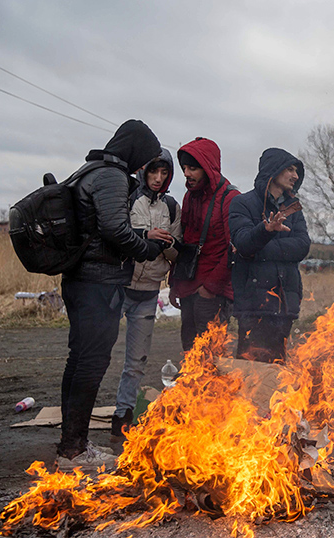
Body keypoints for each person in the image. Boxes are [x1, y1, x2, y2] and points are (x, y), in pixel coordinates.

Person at [58, 120, 165, 471]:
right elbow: (114, 228)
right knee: (91, 362)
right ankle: (74, 450)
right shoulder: (112, 177)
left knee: (79, 359)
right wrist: (146, 247)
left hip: (81, 278)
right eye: (143, 159)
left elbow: (100, 224)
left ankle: (72, 444)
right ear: (133, 150)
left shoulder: (88, 170)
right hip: (97, 282)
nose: (142, 167)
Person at [110, 148, 181, 442]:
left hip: (149, 291)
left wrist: (167, 243)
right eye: (153, 171)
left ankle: (121, 417)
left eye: (164, 173)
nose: (158, 178)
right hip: (118, 287)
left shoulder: (172, 207)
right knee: (98, 355)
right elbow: (114, 236)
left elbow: (178, 253)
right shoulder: (128, 198)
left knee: (137, 360)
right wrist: (144, 236)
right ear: (143, 171)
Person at [229, 148, 310, 362]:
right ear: (273, 170)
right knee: (250, 374)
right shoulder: (242, 203)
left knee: (277, 373)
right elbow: (244, 243)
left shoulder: (293, 209)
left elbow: (302, 246)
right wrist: (265, 230)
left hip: (285, 304)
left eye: (296, 171)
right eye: (290, 169)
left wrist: (260, 249)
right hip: (254, 305)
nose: (295, 175)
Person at [169, 137, 240, 351]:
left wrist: (210, 288)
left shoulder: (231, 198)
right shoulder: (190, 196)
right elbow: (185, 242)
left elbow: (235, 250)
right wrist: (175, 283)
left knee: (211, 356)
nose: (186, 174)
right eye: (184, 168)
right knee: (190, 350)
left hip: (212, 293)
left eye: (193, 168)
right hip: (189, 286)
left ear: (208, 168)